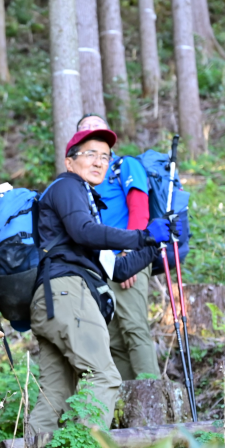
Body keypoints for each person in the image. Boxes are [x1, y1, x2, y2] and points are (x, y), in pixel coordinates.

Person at [28, 127, 175, 440]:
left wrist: (152, 245)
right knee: (104, 376)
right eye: (90, 154)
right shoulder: (68, 186)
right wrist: (143, 235)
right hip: (67, 293)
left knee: (55, 392)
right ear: (69, 162)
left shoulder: (84, 202)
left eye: (105, 156)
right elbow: (84, 231)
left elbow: (118, 270)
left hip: (52, 299)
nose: (99, 161)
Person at [76, 114, 160, 381]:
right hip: (97, 267)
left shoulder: (125, 166)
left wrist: (128, 257)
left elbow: (139, 210)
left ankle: (152, 400)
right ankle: (128, 406)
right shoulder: (80, 180)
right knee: (111, 338)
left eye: (96, 126)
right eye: (84, 129)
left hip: (125, 259)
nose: (90, 131)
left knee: (134, 328)